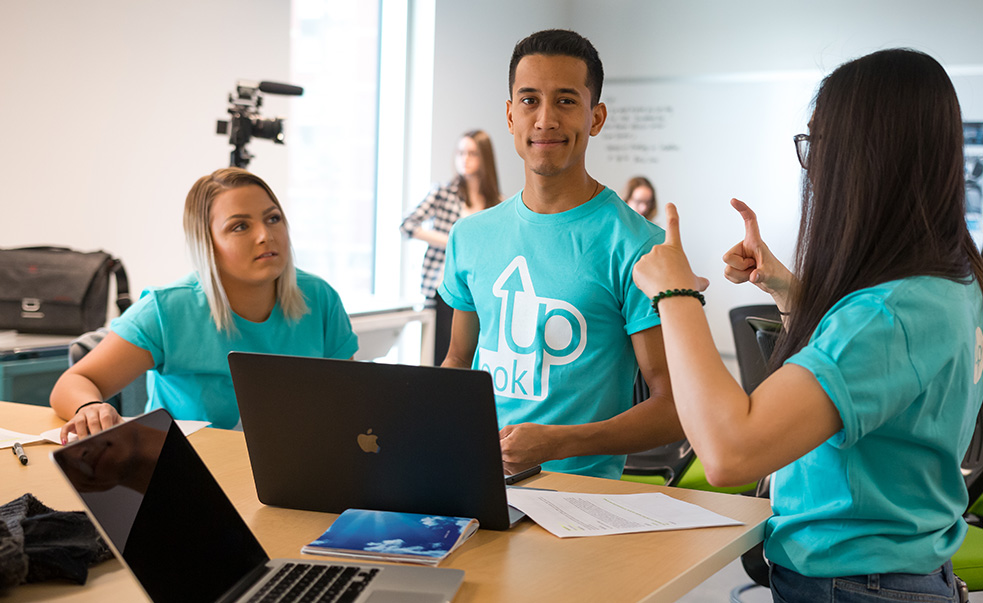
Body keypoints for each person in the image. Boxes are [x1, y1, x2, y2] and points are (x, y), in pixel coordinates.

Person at [632, 48, 982, 601]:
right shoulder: (949, 285)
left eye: (818, 144)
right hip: (893, 574)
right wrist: (786, 290)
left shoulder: (887, 315)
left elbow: (729, 452)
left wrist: (675, 294)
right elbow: (863, 385)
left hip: (855, 585)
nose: (813, 164)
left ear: (865, 156)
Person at [438, 29, 683, 480]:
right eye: (529, 100)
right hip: (475, 482)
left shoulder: (638, 246)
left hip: (579, 501)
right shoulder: (470, 236)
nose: (545, 119)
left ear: (596, 117)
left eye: (566, 101)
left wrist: (559, 442)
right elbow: (457, 362)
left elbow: (673, 406)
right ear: (510, 115)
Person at [51, 168, 359, 442]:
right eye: (240, 226)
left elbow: (347, 399)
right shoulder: (167, 309)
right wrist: (89, 408)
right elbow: (74, 381)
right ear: (207, 242)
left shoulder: (319, 298)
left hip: (293, 466)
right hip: (190, 472)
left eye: (273, 218)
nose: (266, 235)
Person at [399, 130, 501, 365]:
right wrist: (452, 241)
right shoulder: (443, 193)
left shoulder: (497, 203)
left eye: (472, 153)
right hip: (443, 286)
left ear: (485, 157)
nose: (464, 158)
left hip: (481, 287)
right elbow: (407, 225)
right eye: (460, 152)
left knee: (478, 353)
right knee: (445, 354)